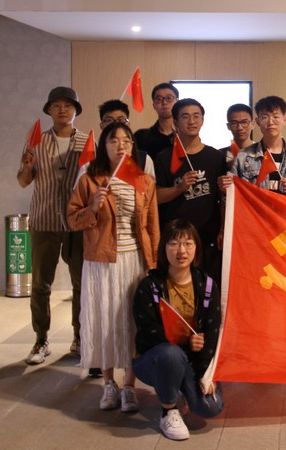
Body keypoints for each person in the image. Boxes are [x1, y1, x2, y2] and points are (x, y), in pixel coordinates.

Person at [67, 122, 160, 411]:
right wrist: (93, 207)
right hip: (101, 262)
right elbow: (72, 220)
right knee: (105, 320)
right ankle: (108, 383)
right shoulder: (90, 179)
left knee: (133, 322)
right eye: (114, 141)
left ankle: (129, 386)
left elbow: (152, 226)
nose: (121, 146)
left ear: (132, 146)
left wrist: (153, 264)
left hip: (135, 262)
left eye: (126, 141)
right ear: (103, 146)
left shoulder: (143, 181)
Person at [132, 220, 224, 441]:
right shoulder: (150, 286)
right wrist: (185, 341)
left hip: (191, 361)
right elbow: (147, 333)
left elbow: (211, 333)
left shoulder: (207, 285)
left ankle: (179, 388)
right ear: (164, 248)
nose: (181, 251)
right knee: (170, 354)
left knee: (210, 407)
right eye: (174, 244)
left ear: (196, 248)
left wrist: (206, 374)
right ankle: (168, 410)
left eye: (188, 244)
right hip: (154, 359)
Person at [17, 86, 85, 365]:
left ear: (75, 110)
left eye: (68, 105)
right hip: (43, 219)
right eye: (56, 105)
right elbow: (23, 181)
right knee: (40, 284)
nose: (62, 110)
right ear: (49, 110)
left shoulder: (86, 142)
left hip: (76, 222)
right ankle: (41, 339)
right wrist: (27, 166)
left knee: (81, 284)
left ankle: (80, 337)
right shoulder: (36, 141)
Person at [154, 98, 229, 283]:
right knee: (178, 284)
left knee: (209, 285)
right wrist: (179, 188)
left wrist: (222, 228)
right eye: (185, 117)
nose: (192, 121)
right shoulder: (164, 158)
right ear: (175, 122)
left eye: (196, 116)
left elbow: (222, 199)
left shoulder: (215, 156)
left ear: (202, 120)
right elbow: (155, 197)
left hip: (208, 235)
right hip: (176, 237)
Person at [232, 95, 286, 201]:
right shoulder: (244, 156)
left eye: (276, 117)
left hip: (285, 211)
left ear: (284, 120)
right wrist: (226, 188)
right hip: (257, 211)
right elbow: (234, 192)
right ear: (257, 122)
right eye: (265, 117)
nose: (270, 122)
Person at [134, 83, 178, 159]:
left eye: (169, 98)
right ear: (154, 105)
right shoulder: (140, 137)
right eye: (159, 99)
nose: (164, 102)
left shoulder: (185, 136)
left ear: (177, 102)